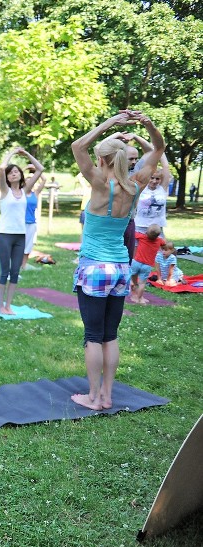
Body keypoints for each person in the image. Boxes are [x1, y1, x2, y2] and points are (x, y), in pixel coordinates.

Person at [70, 109, 164, 410]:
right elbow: (158, 149)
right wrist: (146, 125)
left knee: (93, 336)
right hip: (121, 269)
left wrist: (111, 124)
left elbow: (77, 146)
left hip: (95, 268)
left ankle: (93, 397)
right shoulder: (135, 185)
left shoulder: (99, 183)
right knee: (110, 335)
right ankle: (108, 396)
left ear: (102, 160)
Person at [0, 146, 44, 315]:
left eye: (17, 171)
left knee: (15, 272)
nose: (14, 173)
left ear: (21, 175)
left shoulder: (25, 191)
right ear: (8, 177)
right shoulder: (4, 191)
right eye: (11, 172)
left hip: (20, 236)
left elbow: (40, 169)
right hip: (5, 236)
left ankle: (9, 305)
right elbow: (1, 168)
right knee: (4, 272)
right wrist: (11, 153)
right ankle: (0, 305)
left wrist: (27, 154)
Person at [129, 223, 164, 303]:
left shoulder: (142, 237)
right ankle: (139, 299)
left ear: (146, 232)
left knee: (133, 275)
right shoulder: (159, 241)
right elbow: (164, 243)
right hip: (147, 265)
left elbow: (134, 233)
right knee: (142, 283)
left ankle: (132, 283)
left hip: (136, 262)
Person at [22, 166, 46, 270]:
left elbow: (44, 180)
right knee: (18, 245)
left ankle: (23, 265)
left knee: (28, 246)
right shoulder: (21, 192)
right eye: (28, 181)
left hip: (31, 223)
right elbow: (16, 175)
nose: (30, 183)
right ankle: (16, 264)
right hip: (20, 223)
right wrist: (25, 168)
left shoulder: (35, 193)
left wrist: (36, 169)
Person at [133, 169, 169, 236]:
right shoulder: (141, 188)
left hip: (157, 226)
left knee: (157, 245)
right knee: (139, 246)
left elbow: (166, 167)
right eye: (152, 178)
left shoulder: (163, 189)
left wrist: (160, 157)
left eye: (157, 179)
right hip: (140, 225)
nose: (154, 181)